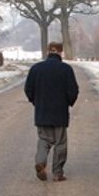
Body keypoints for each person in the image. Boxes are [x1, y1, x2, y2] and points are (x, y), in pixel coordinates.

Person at [24, 41, 79, 182]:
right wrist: (68, 102)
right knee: (60, 143)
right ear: (61, 52)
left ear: (48, 51)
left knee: (44, 139)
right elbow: (73, 91)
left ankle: (41, 162)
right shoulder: (66, 69)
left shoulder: (36, 68)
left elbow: (28, 89)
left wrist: (36, 102)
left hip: (42, 111)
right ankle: (57, 173)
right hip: (60, 112)